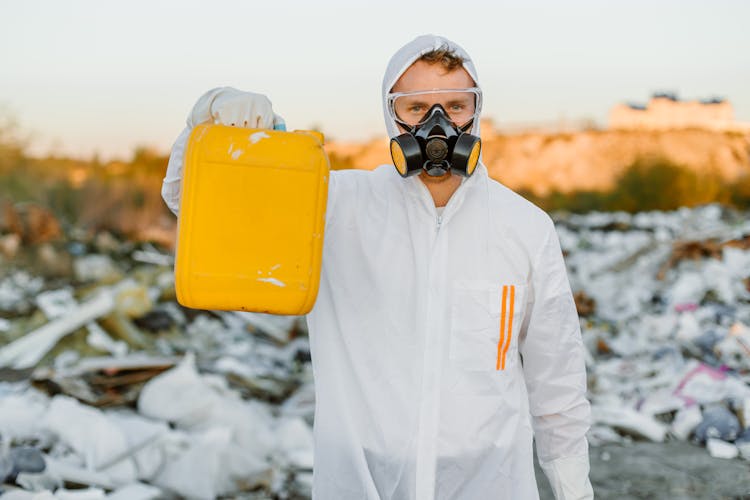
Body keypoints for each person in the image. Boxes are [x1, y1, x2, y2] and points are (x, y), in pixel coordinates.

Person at [162, 34, 593, 500]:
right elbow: (187, 200)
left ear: (476, 111)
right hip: (359, 484)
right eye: (416, 108)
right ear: (391, 115)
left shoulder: (524, 226)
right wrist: (210, 114)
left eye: (455, 105)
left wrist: (575, 493)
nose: (438, 123)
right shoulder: (332, 206)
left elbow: (558, 386)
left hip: (490, 486)